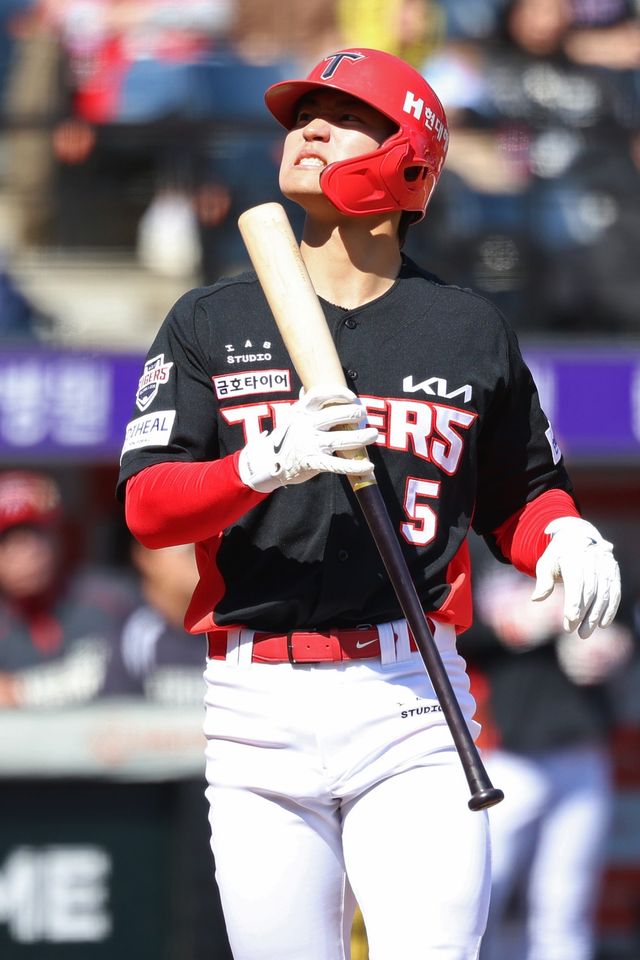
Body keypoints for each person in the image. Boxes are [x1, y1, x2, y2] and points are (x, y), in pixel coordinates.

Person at [117, 47, 621, 960]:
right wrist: (260, 465)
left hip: (411, 693)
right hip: (256, 701)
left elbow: (521, 493)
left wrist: (565, 535)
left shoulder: (466, 327)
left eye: (345, 117)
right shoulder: (210, 319)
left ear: (411, 159)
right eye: (303, 115)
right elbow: (149, 508)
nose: (309, 129)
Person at [458, 558, 633, 960]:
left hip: (580, 742)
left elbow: (626, 624)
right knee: (481, 899)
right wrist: (511, 624)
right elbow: (442, 633)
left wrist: (614, 646)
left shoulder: (590, 545)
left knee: (565, 905)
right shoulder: (473, 542)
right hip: (499, 754)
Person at [0, 469, 135, 708]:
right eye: (9, 540)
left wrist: (19, 692)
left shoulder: (113, 600)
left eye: (37, 534)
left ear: (58, 536)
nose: (27, 552)